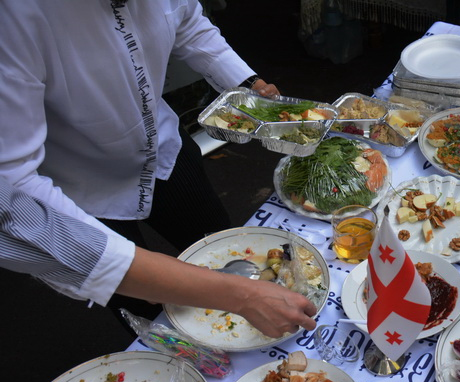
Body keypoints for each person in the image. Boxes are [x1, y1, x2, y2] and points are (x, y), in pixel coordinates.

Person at [0, 0, 278, 254]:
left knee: (225, 248)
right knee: (144, 301)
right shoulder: (15, 16)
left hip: (164, 149)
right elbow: (13, 175)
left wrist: (248, 86)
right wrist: (128, 269)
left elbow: (190, 25)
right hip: (80, 185)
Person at [0, 177, 319, 336]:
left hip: (158, 146)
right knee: (147, 309)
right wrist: (245, 296)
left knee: (208, 234)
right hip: (74, 185)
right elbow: (59, 240)